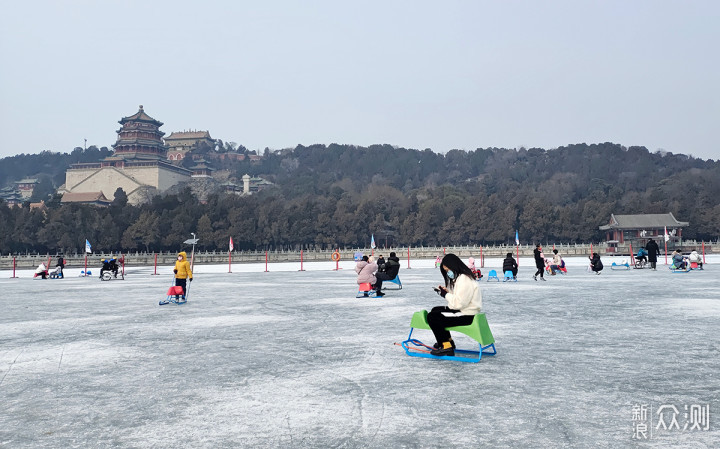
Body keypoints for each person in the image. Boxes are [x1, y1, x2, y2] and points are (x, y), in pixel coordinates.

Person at [428, 254, 482, 357]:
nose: (448, 273)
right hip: (466, 311)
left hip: (466, 315)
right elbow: (461, 298)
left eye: (448, 270)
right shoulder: (463, 277)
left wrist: (445, 295)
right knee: (435, 310)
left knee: (433, 317)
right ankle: (448, 341)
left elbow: (459, 303)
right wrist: (447, 293)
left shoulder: (463, 279)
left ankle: (446, 346)